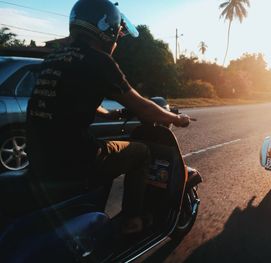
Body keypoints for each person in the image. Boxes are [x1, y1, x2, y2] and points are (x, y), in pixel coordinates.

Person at [26, 0, 192, 234]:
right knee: (141, 152)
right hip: (75, 159)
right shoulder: (99, 61)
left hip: (39, 157)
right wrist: (177, 119)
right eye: (117, 35)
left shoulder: (54, 58)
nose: (116, 41)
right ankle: (133, 220)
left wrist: (108, 113)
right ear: (108, 29)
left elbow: (66, 97)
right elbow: (143, 107)